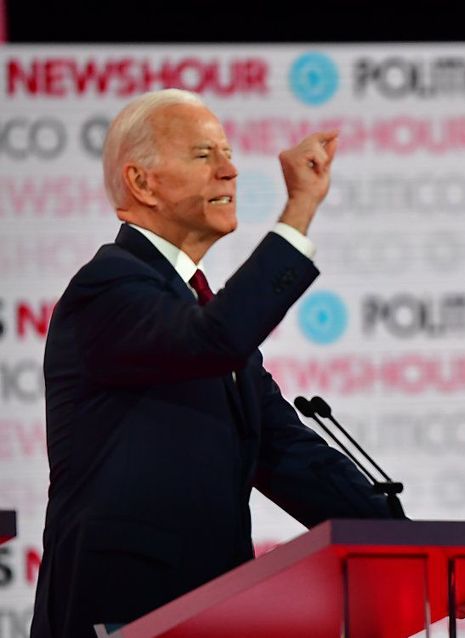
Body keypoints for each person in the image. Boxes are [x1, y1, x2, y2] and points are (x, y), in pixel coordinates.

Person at [30, 89, 395, 637]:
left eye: (227, 154)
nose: (230, 171)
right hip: (120, 612)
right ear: (141, 182)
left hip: (215, 610)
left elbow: (289, 453)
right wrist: (297, 213)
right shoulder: (107, 288)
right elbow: (214, 339)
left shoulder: (198, 309)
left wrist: (407, 546)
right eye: (204, 156)